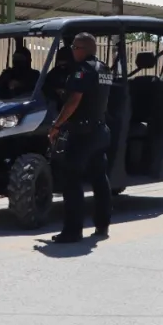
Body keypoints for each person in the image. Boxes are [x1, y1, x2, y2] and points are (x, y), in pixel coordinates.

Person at [47, 32, 113, 243]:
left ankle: (72, 231)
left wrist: (57, 124)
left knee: (72, 181)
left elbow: (74, 100)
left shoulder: (83, 70)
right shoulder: (104, 68)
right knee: (100, 179)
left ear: (84, 49)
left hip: (83, 133)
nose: (72, 51)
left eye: (75, 47)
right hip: (100, 130)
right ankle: (102, 226)